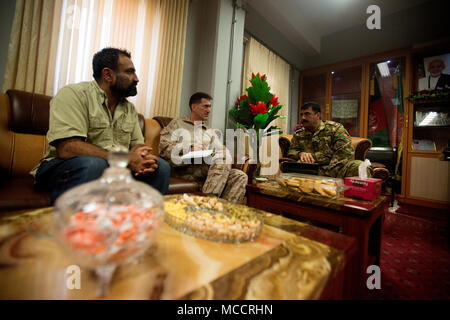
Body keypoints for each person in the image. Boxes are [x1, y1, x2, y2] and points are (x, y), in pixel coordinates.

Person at [32, 47, 170, 203]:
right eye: (129, 72)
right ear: (108, 75)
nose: (136, 78)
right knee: (94, 165)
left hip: (112, 168)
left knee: (161, 167)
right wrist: (124, 159)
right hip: (63, 167)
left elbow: (137, 144)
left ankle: (138, 222)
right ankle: (73, 226)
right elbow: (68, 148)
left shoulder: (129, 108)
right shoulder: (74, 94)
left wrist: (142, 158)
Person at [159, 92, 247, 203]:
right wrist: (189, 148)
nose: (209, 110)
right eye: (205, 106)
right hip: (183, 167)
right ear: (194, 107)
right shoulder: (178, 123)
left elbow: (221, 151)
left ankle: (223, 214)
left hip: (207, 168)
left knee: (240, 176)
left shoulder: (210, 130)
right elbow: (163, 147)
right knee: (222, 156)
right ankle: (207, 203)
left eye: (210, 107)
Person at [287, 102, 372, 178]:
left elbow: (345, 152)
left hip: (335, 169)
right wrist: (300, 154)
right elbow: (291, 152)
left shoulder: (336, 129)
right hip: (312, 170)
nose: (303, 118)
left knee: (359, 166)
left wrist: (328, 174)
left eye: (307, 114)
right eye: (301, 114)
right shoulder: (299, 134)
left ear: (318, 115)